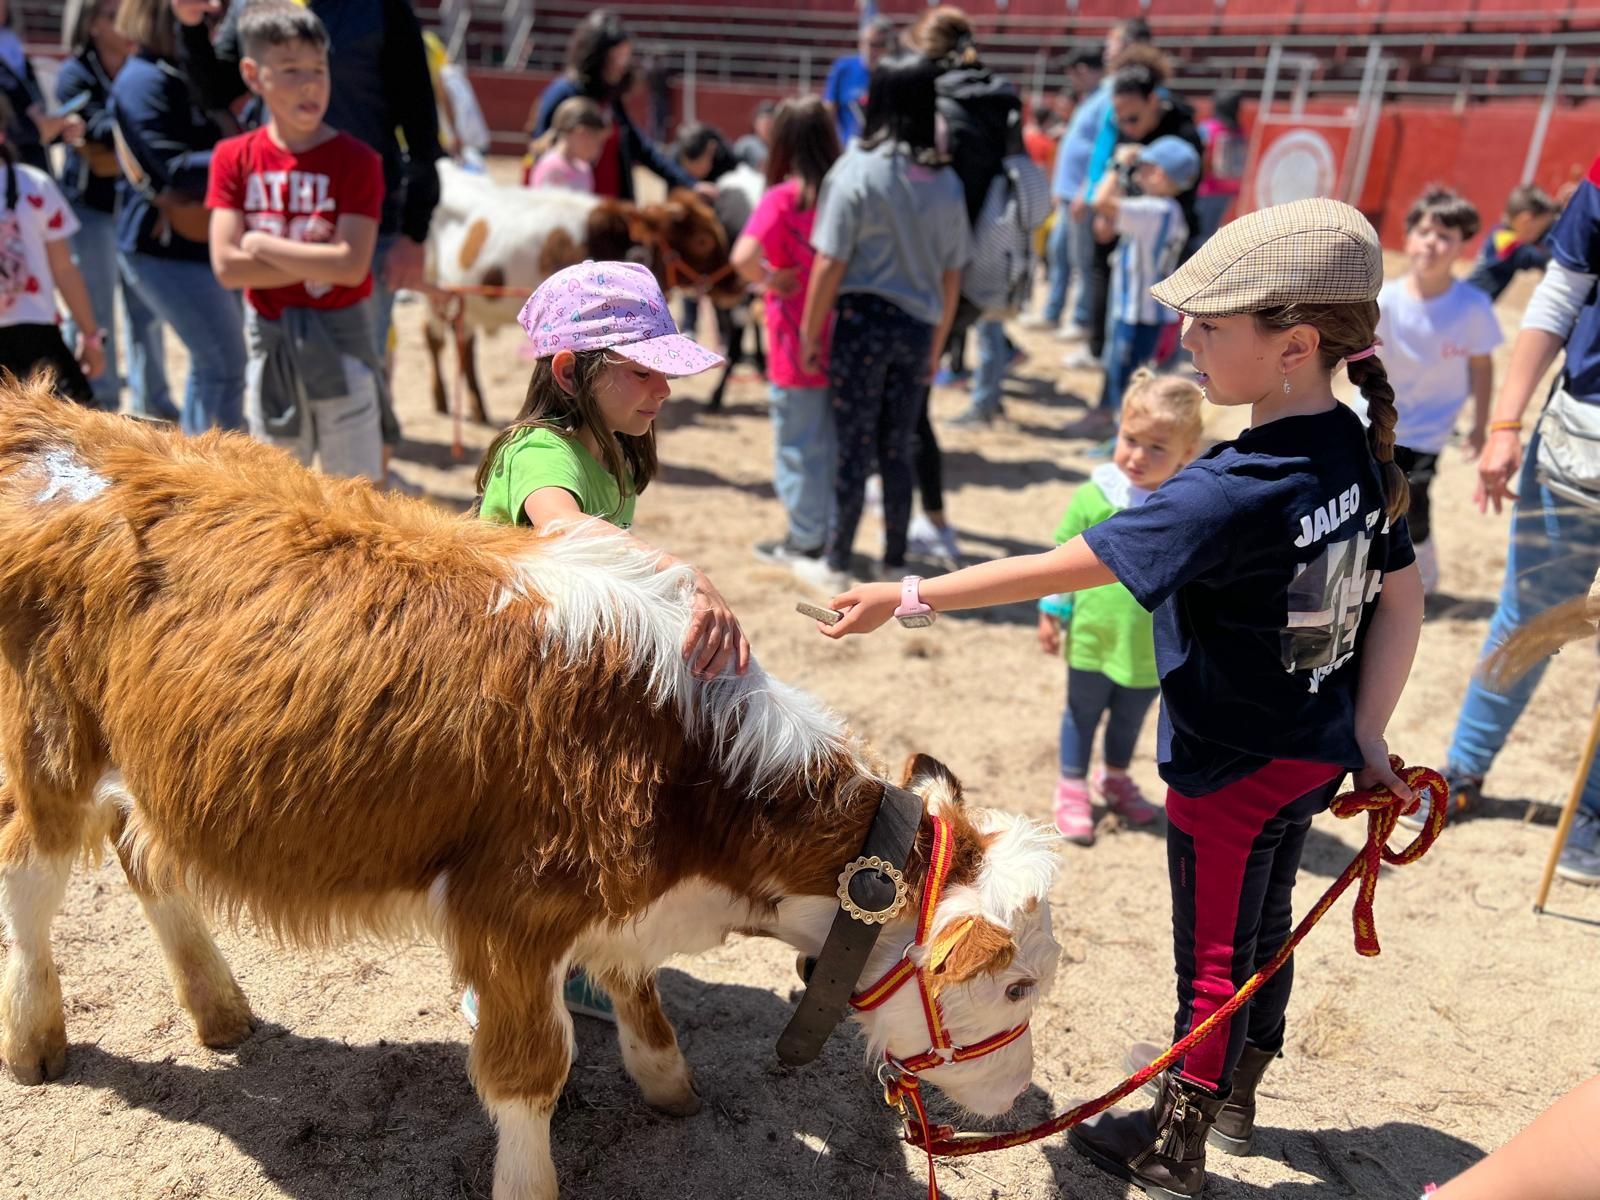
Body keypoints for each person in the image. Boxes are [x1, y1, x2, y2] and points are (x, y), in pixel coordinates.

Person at [815, 198, 1423, 1199]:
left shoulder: (1230, 487)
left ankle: (1175, 1140)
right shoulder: (1355, 450)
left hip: (1230, 767)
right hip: (1312, 750)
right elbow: (1402, 599)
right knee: (1267, 927)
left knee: (1215, 958)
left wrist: (910, 594)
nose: (1185, 341)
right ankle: (1236, 1094)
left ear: (1295, 345)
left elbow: (1071, 563)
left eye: (1211, 325)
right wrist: (1366, 733)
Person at [465, 259, 746, 1026]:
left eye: (665, 370)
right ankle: (496, 973)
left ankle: (581, 956)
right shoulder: (539, 451)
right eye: (642, 371)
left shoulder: (615, 445)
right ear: (569, 372)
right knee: (529, 831)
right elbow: (562, 526)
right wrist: (681, 574)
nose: (664, 390)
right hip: (505, 672)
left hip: (563, 660)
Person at [1430, 154, 1600, 880]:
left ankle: (1594, 810)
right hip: (1577, 448)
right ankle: (1464, 770)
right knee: (1533, 618)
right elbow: (1560, 296)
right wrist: (1504, 424)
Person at [176, 0, 442, 380]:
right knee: (275, 376)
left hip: (363, 227)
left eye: (318, 68)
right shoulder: (255, 6)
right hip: (276, 218)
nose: (309, 81)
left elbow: (420, 120)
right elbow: (216, 91)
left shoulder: (382, 7)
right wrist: (190, 25)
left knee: (357, 377)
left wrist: (414, 232)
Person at [795, 54, 970, 593]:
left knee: (854, 445)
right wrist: (937, 344)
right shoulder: (946, 180)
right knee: (898, 445)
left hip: (862, 322)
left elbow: (830, 262)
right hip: (918, 326)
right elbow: (951, 275)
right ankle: (895, 559)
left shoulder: (855, 169)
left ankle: (837, 559)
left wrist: (809, 333)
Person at [206, 2, 386, 481]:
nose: (309, 84)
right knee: (276, 489)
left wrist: (261, 245)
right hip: (270, 344)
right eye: (290, 70)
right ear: (253, 75)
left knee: (355, 490)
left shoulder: (358, 161)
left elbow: (351, 265)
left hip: (343, 343)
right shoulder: (233, 157)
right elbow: (226, 265)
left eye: (318, 69)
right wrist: (319, 261)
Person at [1038, 369, 1203, 844]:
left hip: (1151, 644)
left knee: (1130, 717)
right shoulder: (1096, 496)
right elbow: (1059, 556)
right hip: (1094, 633)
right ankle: (1071, 786)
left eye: (1157, 448)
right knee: (1082, 711)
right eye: (1130, 439)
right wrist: (1052, 612)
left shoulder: (1184, 505)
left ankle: (1113, 776)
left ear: (1187, 453)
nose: (1137, 456)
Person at [112, 0, 245, 434]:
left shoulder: (170, 71)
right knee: (223, 366)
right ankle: (213, 470)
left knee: (213, 365)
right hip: (162, 246)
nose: (213, 10)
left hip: (187, 242)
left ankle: (195, 461)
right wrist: (253, 153)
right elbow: (174, 168)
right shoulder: (143, 79)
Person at [1371, 187, 1501, 595]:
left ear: (1463, 246)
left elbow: (1482, 365)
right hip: (1375, 421)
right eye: (1424, 231)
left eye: (1445, 236)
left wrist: (1480, 425)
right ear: (1408, 236)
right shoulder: (1384, 301)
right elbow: (1355, 356)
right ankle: (1365, 579)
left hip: (1428, 432)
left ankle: (1423, 581)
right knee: (1366, 501)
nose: (1432, 243)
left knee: (1412, 506)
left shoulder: (1472, 306)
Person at [730, 96, 841, 568]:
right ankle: (831, 530)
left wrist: (771, 278)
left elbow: (741, 259)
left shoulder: (783, 198)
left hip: (794, 337)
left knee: (797, 443)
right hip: (843, 334)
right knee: (833, 441)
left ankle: (805, 537)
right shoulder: (845, 194)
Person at [55, 0, 175, 418]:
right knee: (95, 308)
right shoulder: (74, 73)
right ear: (91, 26)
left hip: (133, 208)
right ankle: (97, 405)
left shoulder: (139, 67)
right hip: (90, 210)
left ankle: (153, 403)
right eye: (110, 16)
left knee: (147, 309)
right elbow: (99, 127)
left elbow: (106, 128)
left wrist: (121, 124)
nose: (121, 24)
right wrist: (138, 119)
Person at [910, 6, 1025, 433]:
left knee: (915, 364)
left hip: (934, 247)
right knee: (941, 349)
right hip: (989, 246)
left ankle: (914, 440)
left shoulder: (930, 97)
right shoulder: (1001, 97)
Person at [1084, 135, 1198, 445]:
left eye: (1144, 166)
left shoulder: (1154, 209)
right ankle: (1123, 437)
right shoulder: (1165, 209)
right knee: (1129, 381)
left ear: (1159, 174)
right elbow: (1104, 229)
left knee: (1130, 385)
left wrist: (1116, 165)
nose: (1137, 171)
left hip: (1139, 314)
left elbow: (1099, 201)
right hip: (1144, 312)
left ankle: (1125, 439)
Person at [531, 11, 701, 204]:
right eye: (616, 57)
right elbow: (542, 150)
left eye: (626, 56)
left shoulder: (610, 99)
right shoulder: (563, 93)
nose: (622, 65)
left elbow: (640, 147)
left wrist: (688, 183)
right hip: (577, 208)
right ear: (597, 56)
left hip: (613, 207)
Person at [0, 92, 103, 405]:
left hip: (37, 340)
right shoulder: (34, 184)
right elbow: (65, 270)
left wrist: (89, 336)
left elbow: (65, 270)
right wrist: (90, 337)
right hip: (38, 340)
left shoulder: (35, 184)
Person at [1032, 44, 1105, 338]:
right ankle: (1053, 312)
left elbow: (1101, 151)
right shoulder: (1090, 99)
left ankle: (1081, 319)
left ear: (1082, 70)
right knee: (1058, 253)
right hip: (1068, 193)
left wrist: (1084, 191)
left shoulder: (1103, 100)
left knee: (1081, 259)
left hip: (1079, 195)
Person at [0, 0, 83, 174]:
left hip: (30, 165)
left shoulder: (11, 43)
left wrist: (58, 130)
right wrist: (37, 131)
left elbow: (30, 104)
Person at [1467, 182, 1561, 302]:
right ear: (1525, 220)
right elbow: (1538, 258)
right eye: (1539, 230)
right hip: (1466, 303)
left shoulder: (1500, 232)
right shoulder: (1504, 240)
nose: (1539, 235)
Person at [823, 15, 893, 147]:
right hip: (848, 149)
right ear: (860, 43)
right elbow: (829, 112)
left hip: (882, 150)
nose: (874, 50)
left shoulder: (893, 74)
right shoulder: (843, 69)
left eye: (881, 45)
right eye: (870, 44)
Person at [1194, 89, 1245, 243]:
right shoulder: (1238, 130)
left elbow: (1200, 156)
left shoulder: (1208, 128)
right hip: (1230, 189)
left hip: (1209, 189)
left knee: (1203, 235)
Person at [527, 96, 608, 192]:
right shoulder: (553, 168)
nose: (599, 148)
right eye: (596, 140)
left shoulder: (583, 168)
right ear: (580, 133)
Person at [733, 99, 774, 170]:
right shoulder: (746, 145)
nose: (766, 127)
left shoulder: (781, 146)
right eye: (763, 123)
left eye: (769, 123)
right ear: (755, 124)